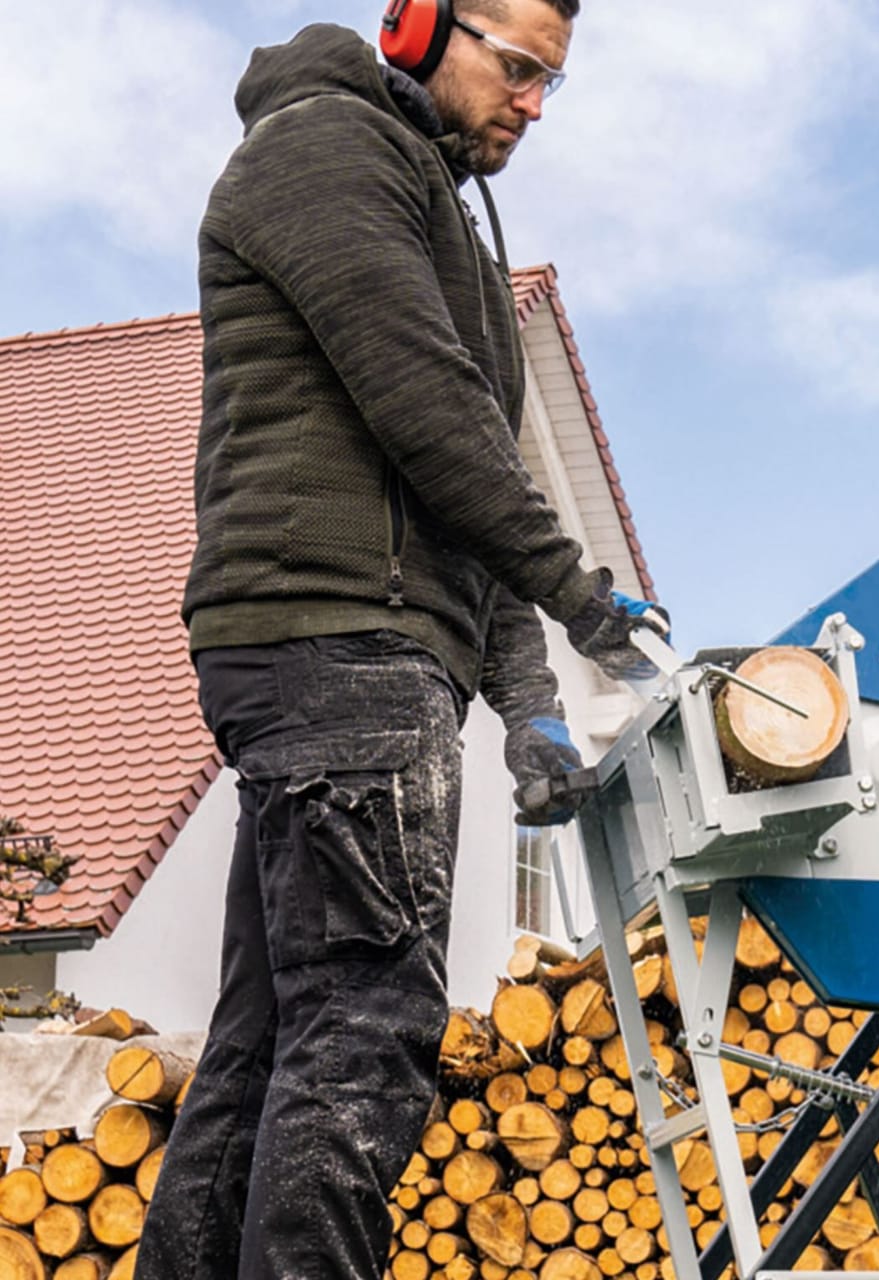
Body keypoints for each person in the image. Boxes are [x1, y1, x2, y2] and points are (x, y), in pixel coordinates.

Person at [139, 2, 654, 1275]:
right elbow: (427, 411)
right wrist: (581, 593)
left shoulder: (435, 202)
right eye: (518, 67)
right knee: (366, 1026)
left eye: (553, 83)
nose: (533, 104)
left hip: (357, 645)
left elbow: (463, 484)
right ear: (420, 23)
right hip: (337, 642)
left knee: (268, 1044)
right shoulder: (327, 147)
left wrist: (530, 691)